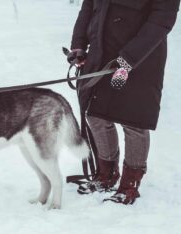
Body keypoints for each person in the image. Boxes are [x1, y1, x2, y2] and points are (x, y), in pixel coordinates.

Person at [68, 0, 180, 204]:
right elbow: (88, 8)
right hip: (100, 55)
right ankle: (106, 175)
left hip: (140, 60)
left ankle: (130, 184)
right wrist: (79, 45)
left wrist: (128, 59)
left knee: (133, 120)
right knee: (96, 114)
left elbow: (161, 22)